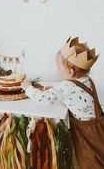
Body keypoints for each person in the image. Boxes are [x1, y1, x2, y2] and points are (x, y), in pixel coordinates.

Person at [22, 37, 104, 169]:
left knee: (88, 158)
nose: (57, 71)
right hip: (98, 126)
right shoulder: (87, 80)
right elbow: (75, 96)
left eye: (58, 68)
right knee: (99, 154)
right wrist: (55, 91)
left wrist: (28, 88)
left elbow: (44, 99)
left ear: (71, 72)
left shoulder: (67, 86)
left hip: (86, 132)